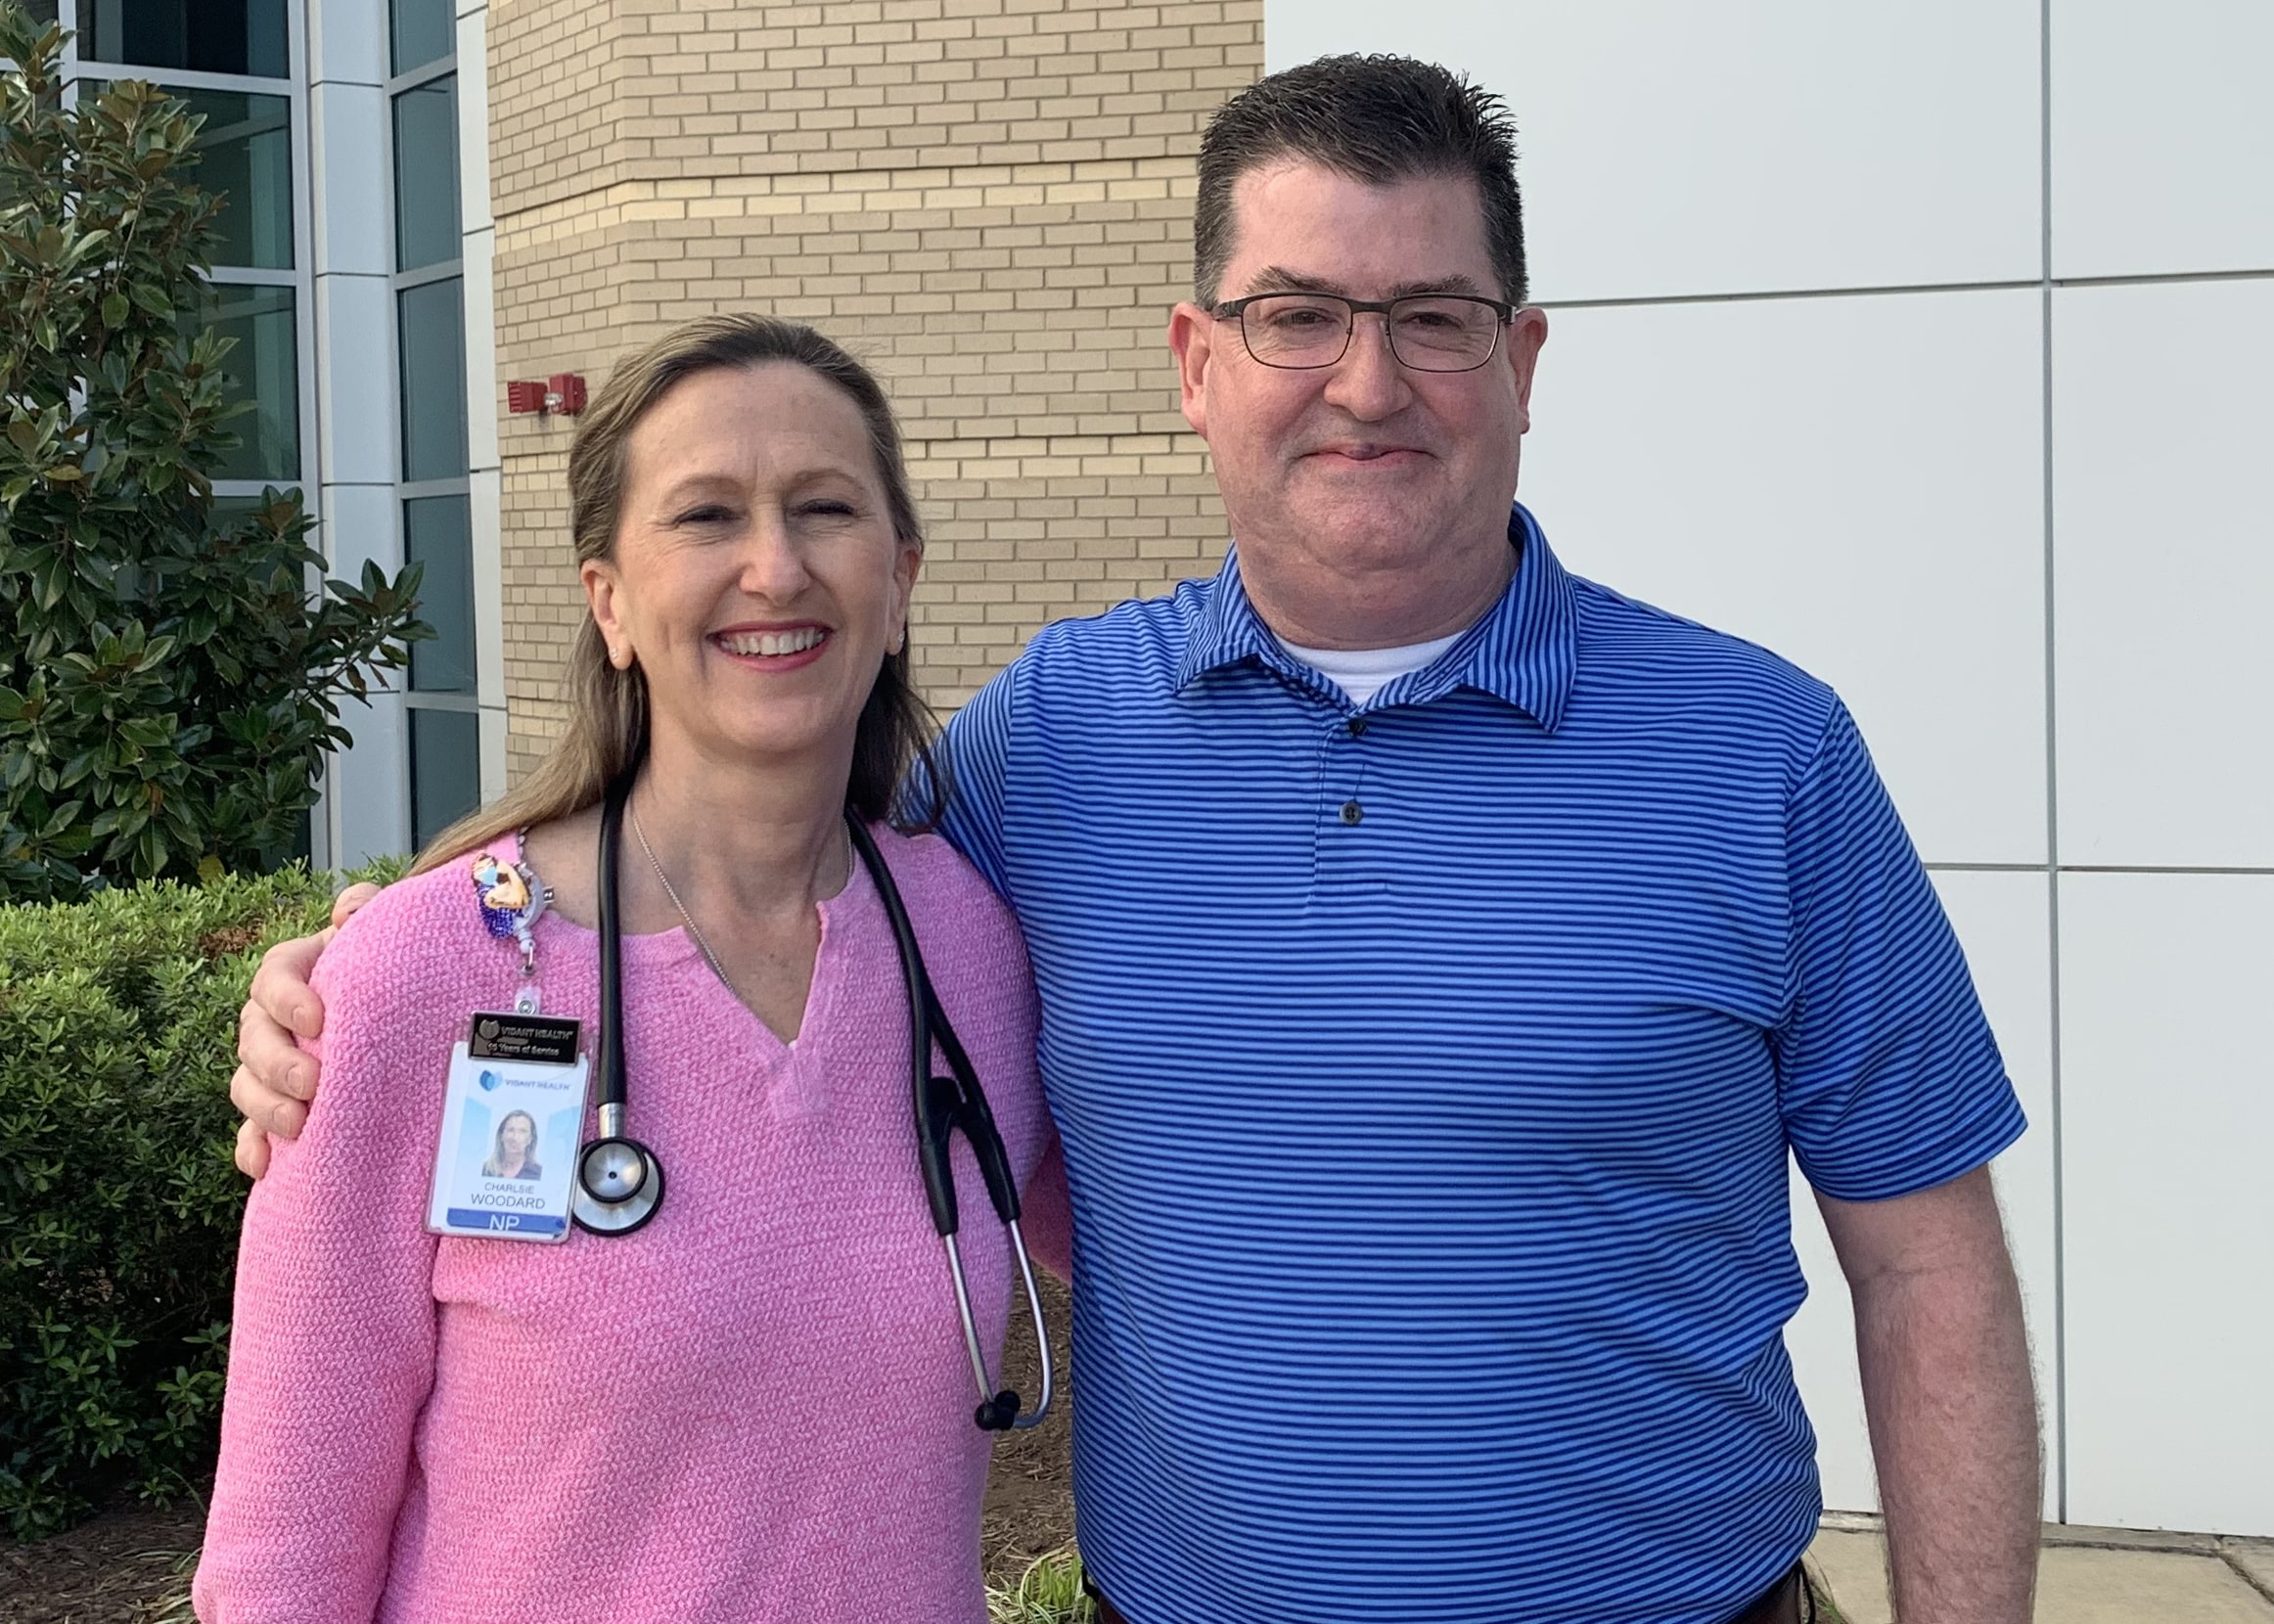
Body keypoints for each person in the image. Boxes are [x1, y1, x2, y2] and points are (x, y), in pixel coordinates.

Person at [230, 56, 2040, 1624]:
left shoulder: (1758, 747)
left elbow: (1923, 1264)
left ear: (1520, 358)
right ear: (1194, 360)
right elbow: (721, 847)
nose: (1365, 379)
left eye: (1433, 317)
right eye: (1294, 317)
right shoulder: (1051, 747)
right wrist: (373, 973)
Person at [195, 315, 1056, 1624]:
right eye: (708, 516)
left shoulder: (976, 952)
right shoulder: (418, 979)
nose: (775, 567)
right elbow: (281, 1557)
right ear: (611, 603)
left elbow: (1174, 1244)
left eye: (825, 508)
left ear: (899, 584)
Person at [478, 1108, 542, 1180]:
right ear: (501, 1135)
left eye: (522, 1131)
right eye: (511, 1130)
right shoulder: (485, 1171)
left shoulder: (538, 1174)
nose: (515, 1137)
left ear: (530, 1139)